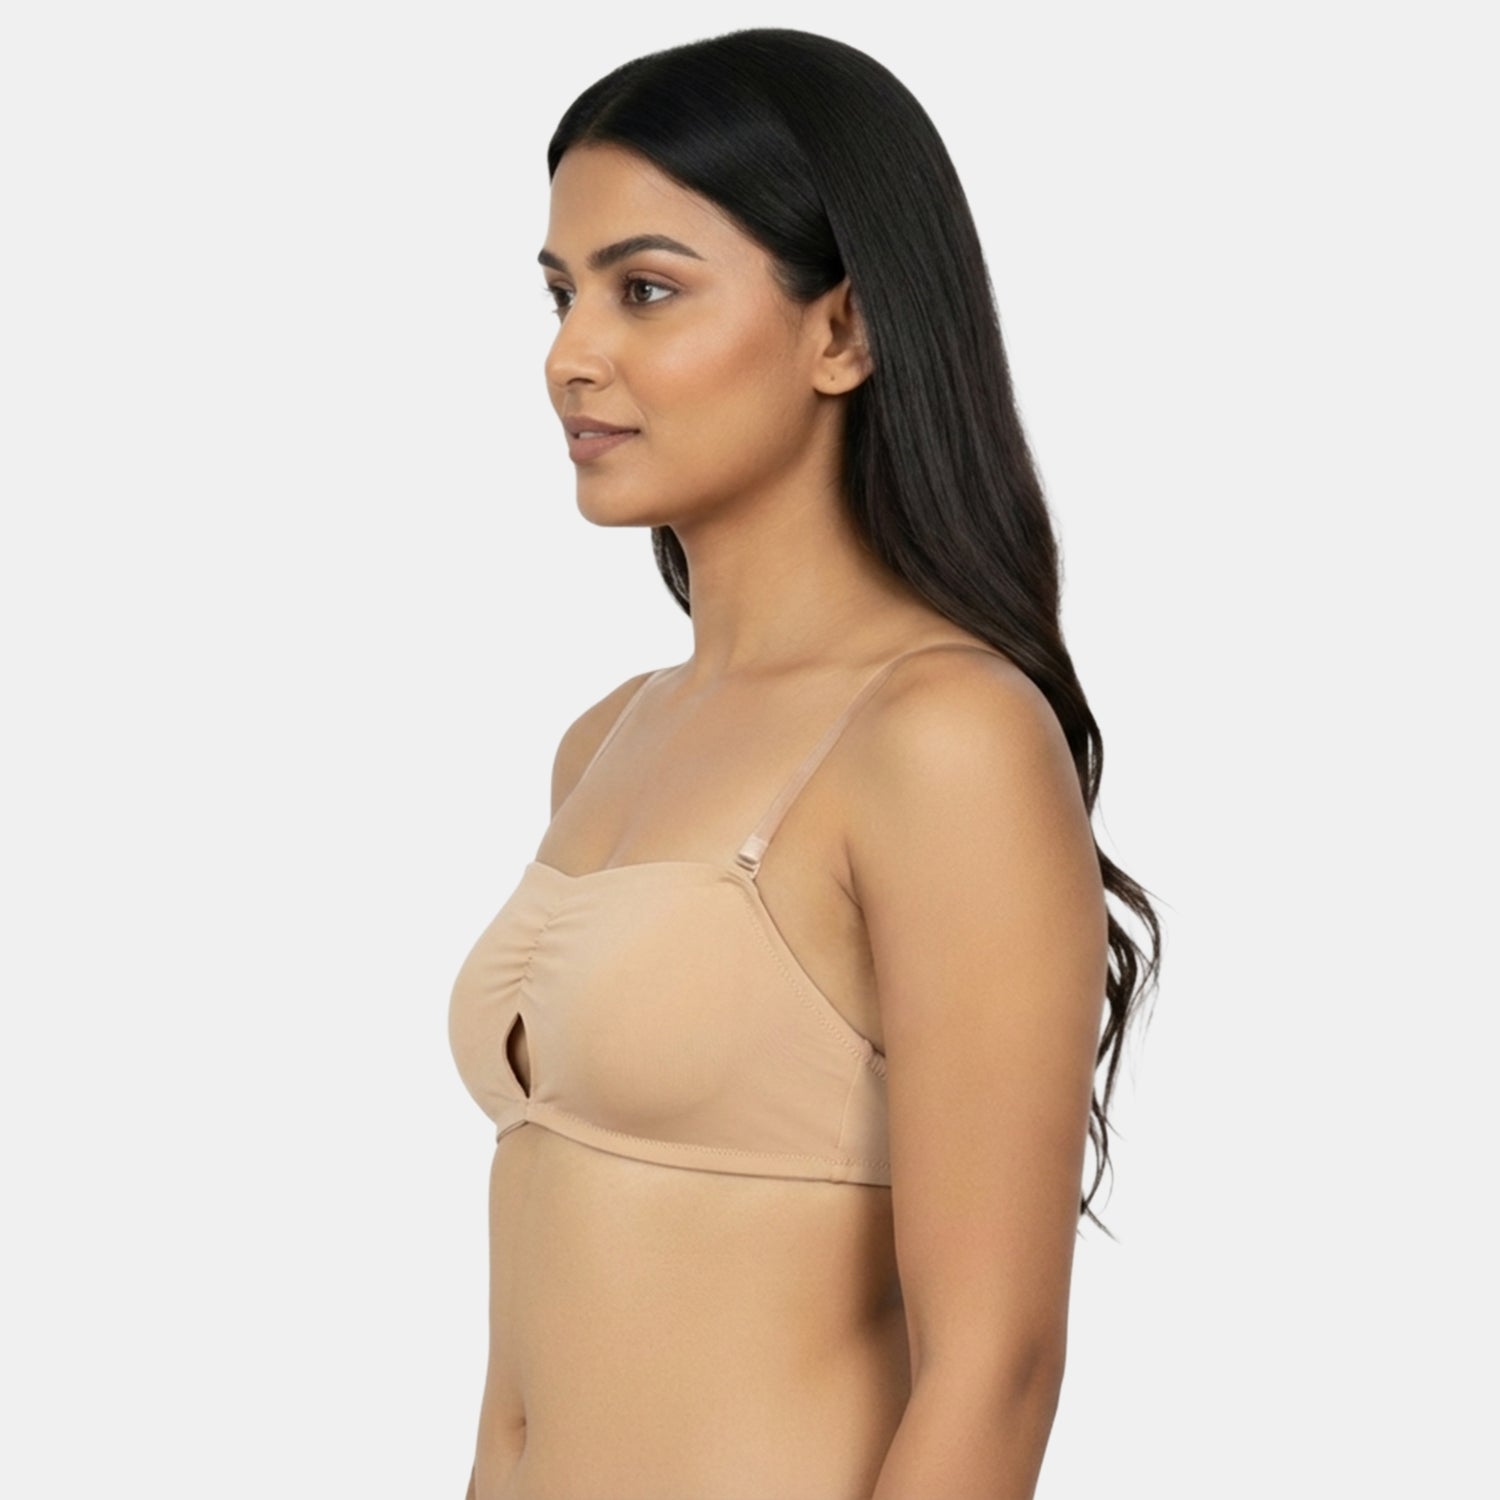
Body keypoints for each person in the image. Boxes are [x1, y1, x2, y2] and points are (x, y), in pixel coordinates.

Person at [448, 27, 1161, 1500]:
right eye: (562, 294)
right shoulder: (608, 739)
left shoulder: (942, 739)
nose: (571, 355)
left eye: (647, 289)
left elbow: (996, 1367)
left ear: (845, 331)